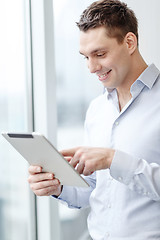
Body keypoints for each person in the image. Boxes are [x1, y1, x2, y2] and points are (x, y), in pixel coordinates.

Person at [28, 0, 160, 239]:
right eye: (85, 57)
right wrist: (58, 186)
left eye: (99, 54)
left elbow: (115, 165)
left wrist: (113, 159)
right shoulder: (97, 109)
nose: (91, 67)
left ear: (129, 42)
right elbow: (96, 190)